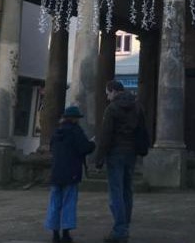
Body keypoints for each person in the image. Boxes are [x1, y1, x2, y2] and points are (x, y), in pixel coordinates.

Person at [94, 80, 146, 243]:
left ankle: (120, 230)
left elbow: (106, 135)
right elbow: (142, 130)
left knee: (116, 191)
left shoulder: (112, 108)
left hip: (115, 153)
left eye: (108, 93)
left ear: (114, 91)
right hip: (131, 153)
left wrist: (99, 158)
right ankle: (125, 225)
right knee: (127, 190)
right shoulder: (138, 107)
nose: (107, 97)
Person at [45, 105, 95, 243]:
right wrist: (93, 143)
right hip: (71, 172)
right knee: (69, 202)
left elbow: (52, 148)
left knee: (54, 203)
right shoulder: (75, 131)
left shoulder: (56, 132)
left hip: (56, 172)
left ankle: (55, 233)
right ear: (74, 119)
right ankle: (66, 233)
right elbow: (85, 148)